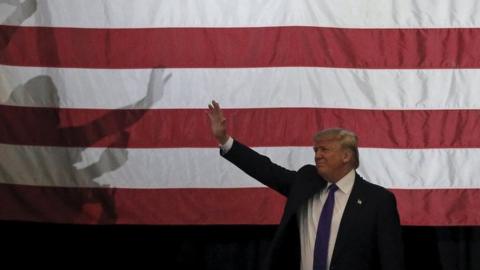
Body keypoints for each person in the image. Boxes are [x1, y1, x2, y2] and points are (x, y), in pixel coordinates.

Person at [207, 100, 405, 270]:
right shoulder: (306, 181)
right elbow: (265, 169)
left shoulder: (379, 200)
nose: (317, 155)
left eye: (324, 150)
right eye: (316, 149)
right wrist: (225, 140)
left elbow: (391, 261)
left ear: (346, 155)